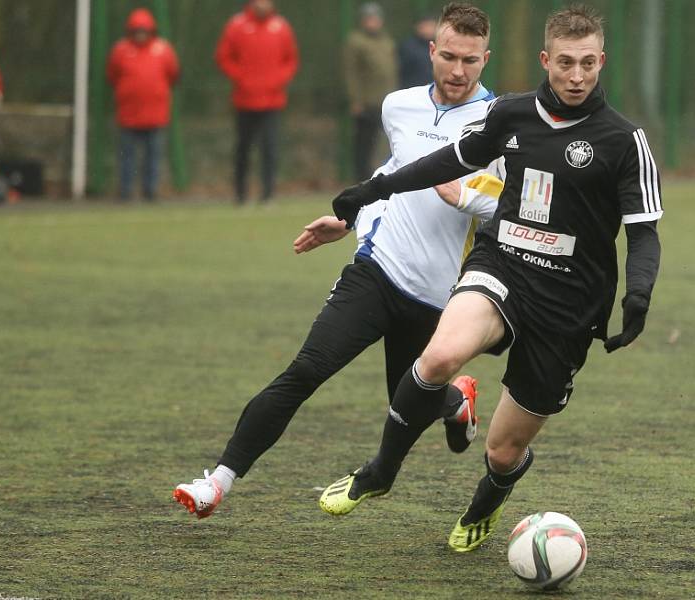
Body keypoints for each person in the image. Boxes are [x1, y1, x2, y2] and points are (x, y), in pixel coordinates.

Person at [321, 4, 663, 553]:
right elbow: (448, 160)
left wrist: (639, 293)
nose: (576, 77)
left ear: (602, 62)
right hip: (502, 265)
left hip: (569, 307)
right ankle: (381, 471)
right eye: (566, 64)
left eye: (588, 65)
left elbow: (643, 234)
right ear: (545, 60)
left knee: (502, 451)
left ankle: (490, 496)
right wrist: (373, 190)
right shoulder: (510, 113)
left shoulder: (625, 140)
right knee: (437, 358)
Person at [173, 3, 503, 520]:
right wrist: (347, 220)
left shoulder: (499, 123)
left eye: (470, 60)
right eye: (449, 57)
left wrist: (464, 194)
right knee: (306, 369)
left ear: (486, 59)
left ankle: (454, 402)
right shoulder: (398, 106)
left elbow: (515, 201)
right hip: (375, 272)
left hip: (439, 296)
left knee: (408, 400)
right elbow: (392, 171)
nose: (458, 72)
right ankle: (217, 481)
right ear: (431, 51)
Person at [216, 0, 299, 204]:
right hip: (244, 100)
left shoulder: (281, 26)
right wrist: (241, 78)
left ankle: (268, 194)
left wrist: (278, 80)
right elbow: (223, 57)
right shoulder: (237, 25)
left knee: (269, 149)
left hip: (272, 101)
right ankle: (240, 194)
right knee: (243, 149)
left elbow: (291, 60)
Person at [106, 9, 179, 201]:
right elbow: (112, 75)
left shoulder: (162, 49)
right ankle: (125, 191)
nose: (140, 35)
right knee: (127, 156)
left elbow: (173, 74)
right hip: (128, 114)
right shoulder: (121, 50)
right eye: (137, 31)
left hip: (155, 115)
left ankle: (150, 191)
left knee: (153, 158)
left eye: (144, 31)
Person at [343, 2, 397, 181]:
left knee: (386, 143)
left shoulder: (386, 40)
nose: (372, 23)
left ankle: (382, 177)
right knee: (364, 145)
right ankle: (361, 179)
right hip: (367, 102)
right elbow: (351, 72)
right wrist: (356, 100)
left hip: (386, 101)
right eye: (369, 19)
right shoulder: (356, 41)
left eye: (375, 19)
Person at [398, 14, 438, 89]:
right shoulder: (408, 47)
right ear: (419, 27)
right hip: (413, 89)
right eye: (426, 26)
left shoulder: (439, 46)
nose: (429, 29)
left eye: (432, 26)